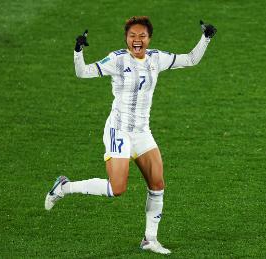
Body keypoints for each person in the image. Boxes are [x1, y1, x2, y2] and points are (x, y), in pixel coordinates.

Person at [45, 16, 216, 255]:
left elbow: (190, 59)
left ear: (149, 38)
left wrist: (206, 37)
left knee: (157, 184)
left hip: (142, 132)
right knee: (117, 188)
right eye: (132, 36)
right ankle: (64, 187)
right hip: (119, 130)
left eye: (142, 36)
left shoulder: (156, 58)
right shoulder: (117, 60)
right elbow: (83, 73)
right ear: (126, 38)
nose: (137, 40)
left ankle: (150, 239)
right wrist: (78, 50)